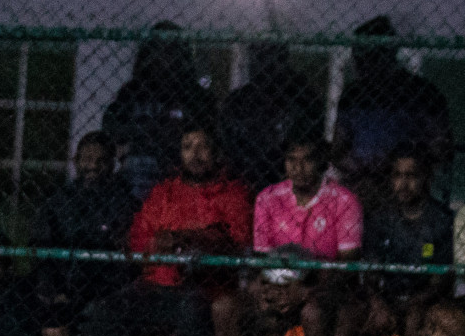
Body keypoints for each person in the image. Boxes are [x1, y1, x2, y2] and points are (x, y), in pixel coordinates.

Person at [84, 126, 251, 336]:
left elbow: (238, 240)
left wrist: (194, 239)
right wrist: (156, 244)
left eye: (202, 146)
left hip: (205, 288)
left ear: (217, 153)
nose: (195, 154)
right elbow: (139, 238)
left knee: (191, 309)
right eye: (187, 146)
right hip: (156, 284)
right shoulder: (164, 192)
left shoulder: (232, 193)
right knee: (105, 311)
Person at [252, 136, 363, 336]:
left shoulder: (344, 201)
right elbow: (262, 258)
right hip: (278, 283)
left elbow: (346, 265)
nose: (299, 167)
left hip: (323, 288)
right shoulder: (268, 198)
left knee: (313, 314)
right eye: (292, 159)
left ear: (322, 164)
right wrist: (273, 289)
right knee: (247, 307)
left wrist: (304, 292)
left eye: (307, 159)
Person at [333, 16, 453, 208]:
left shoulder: (423, 94)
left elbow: (440, 151)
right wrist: (362, 174)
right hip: (361, 188)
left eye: (369, 58)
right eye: (358, 57)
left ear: (389, 54)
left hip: (409, 190)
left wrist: (398, 172)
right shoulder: (352, 95)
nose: (360, 66)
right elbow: (338, 150)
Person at [365, 143, 454, 336]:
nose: (403, 184)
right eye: (398, 175)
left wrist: (412, 302)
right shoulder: (381, 218)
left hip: (421, 302)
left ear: (425, 178)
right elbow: (371, 272)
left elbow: (440, 282)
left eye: (411, 176)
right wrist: (378, 303)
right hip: (386, 299)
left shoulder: (441, 220)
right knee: (347, 317)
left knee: (415, 319)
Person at [101, 22, 216, 200]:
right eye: (159, 49)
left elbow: (207, 134)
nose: (164, 58)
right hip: (136, 177)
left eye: (171, 50)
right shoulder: (133, 91)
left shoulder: (195, 95)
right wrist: (143, 131)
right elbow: (112, 126)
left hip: (180, 176)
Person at [30, 132, 138, 314]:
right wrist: (52, 288)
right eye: (87, 159)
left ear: (112, 164)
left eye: (101, 161)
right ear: (76, 161)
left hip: (104, 292)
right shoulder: (58, 202)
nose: (93, 166)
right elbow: (41, 249)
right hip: (61, 286)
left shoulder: (125, 204)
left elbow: (125, 263)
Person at [218, 44, 327, 195]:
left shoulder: (304, 99)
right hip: (245, 180)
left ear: (284, 59)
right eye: (261, 58)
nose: (267, 65)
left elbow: (312, 145)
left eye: (273, 58)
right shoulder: (237, 102)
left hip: (291, 181)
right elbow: (228, 146)